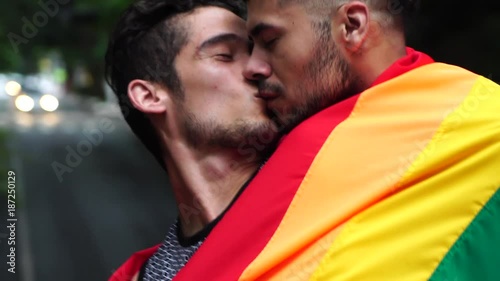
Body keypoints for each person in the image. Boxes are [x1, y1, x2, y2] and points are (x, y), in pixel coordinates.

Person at [173, 0, 500, 280]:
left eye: (270, 42)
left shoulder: (486, 128)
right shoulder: (280, 150)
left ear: (352, 26)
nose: (253, 67)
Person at [104, 0, 280, 280]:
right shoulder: (150, 276)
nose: (258, 67)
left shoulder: (328, 186)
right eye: (225, 55)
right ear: (149, 97)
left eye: (257, 50)